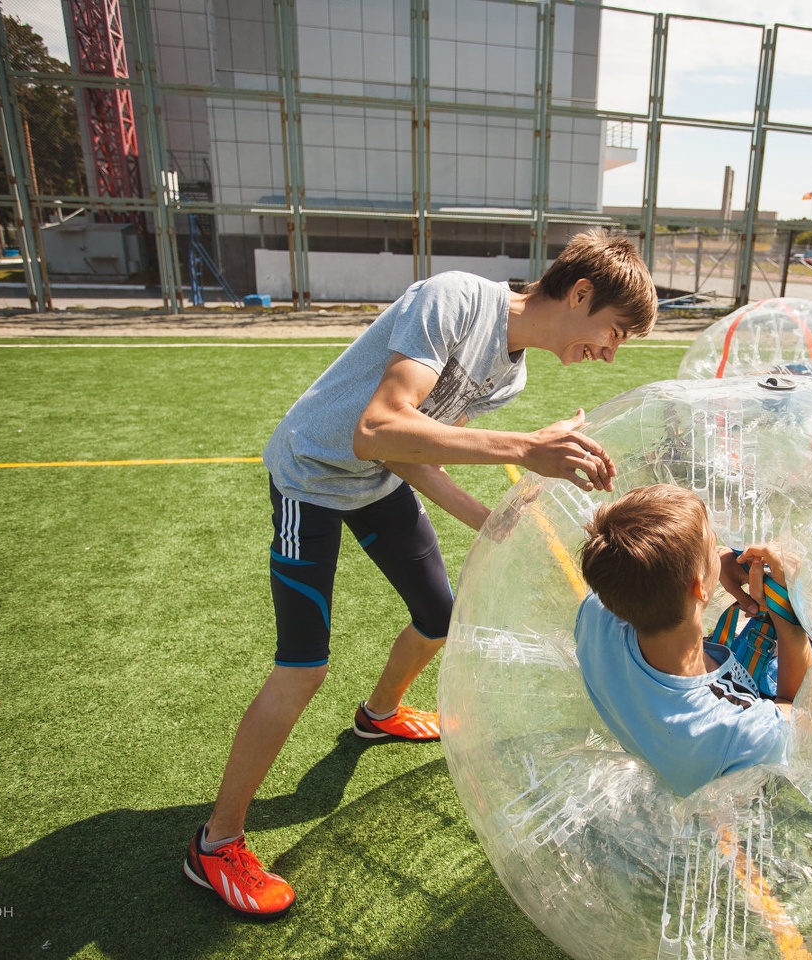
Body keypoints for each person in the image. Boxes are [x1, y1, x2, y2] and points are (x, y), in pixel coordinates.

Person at [184, 230, 658, 916]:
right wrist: (526, 448)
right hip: (312, 476)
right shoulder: (455, 299)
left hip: (376, 480)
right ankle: (215, 843)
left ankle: (378, 716)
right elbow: (376, 427)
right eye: (613, 332)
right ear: (580, 293)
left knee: (441, 615)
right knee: (303, 667)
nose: (610, 353)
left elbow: (411, 448)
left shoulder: (512, 371)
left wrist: (494, 520)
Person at [574, 484, 812, 798]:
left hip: (663, 751)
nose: (720, 547)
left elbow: (646, 576)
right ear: (698, 587)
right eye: (713, 543)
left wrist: (717, 564)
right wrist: (788, 614)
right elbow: (807, 718)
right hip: (731, 784)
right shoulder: (737, 729)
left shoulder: (596, 615)